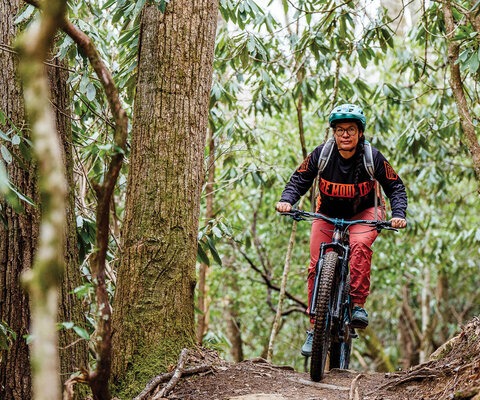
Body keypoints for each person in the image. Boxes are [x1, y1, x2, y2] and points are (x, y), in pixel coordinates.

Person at [275, 103, 407, 357]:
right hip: (326, 214)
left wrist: (398, 214)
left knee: (359, 246)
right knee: (316, 265)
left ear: (360, 133)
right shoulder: (322, 155)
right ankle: (315, 328)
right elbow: (300, 178)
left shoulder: (372, 157)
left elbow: (395, 187)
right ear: (333, 133)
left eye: (351, 129)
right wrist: (287, 200)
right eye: (340, 129)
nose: (345, 134)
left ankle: (357, 305)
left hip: (365, 214)